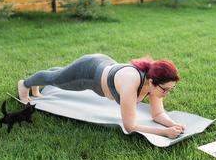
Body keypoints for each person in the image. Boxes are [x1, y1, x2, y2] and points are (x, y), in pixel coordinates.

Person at [18, 53, 185, 138]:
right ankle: (25, 84)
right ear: (152, 82)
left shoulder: (154, 85)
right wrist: (164, 133)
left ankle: (51, 77)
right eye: (166, 89)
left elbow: (157, 114)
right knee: (57, 79)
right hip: (89, 72)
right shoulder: (130, 83)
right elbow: (130, 126)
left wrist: (174, 124)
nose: (167, 93)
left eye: (170, 89)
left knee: (61, 76)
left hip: (104, 64)